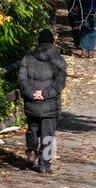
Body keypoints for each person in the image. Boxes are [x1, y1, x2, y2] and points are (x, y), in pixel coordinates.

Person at [17, 29, 67, 173]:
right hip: (50, 105)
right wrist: (44, 94)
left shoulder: (27, 58)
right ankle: (44, 165)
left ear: (38, 42)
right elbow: (60, 84)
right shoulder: (58, 60)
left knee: (32, 129)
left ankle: (31, 151)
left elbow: (22, 80)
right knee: (48, 135)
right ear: (52, 42)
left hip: (32, 104)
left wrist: (33, 93)